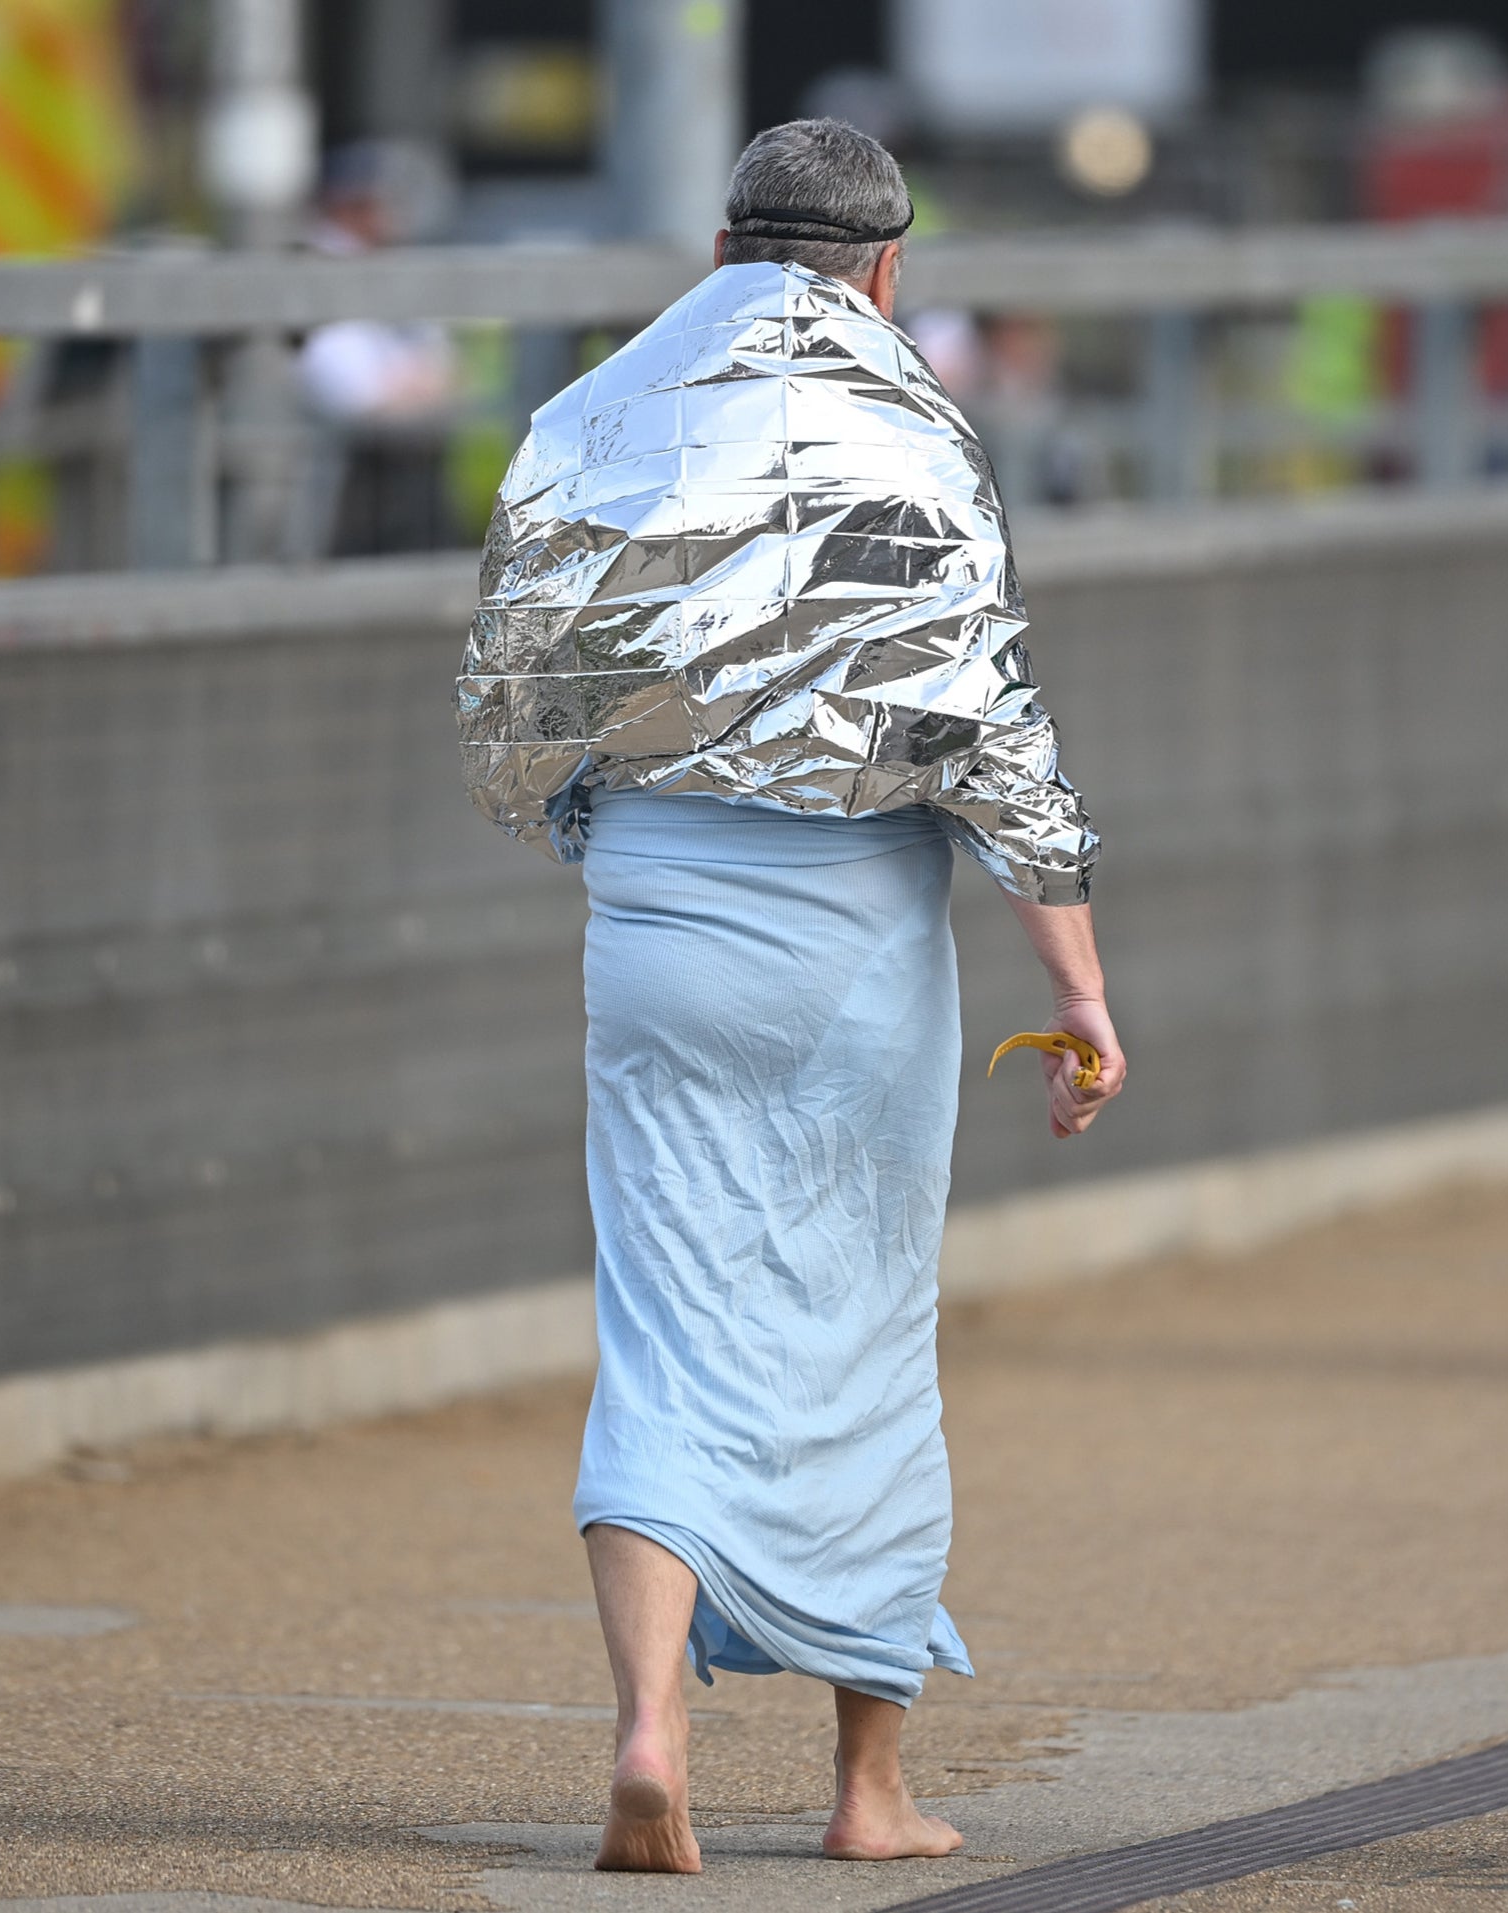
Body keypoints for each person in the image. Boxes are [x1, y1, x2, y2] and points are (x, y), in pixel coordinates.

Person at [458, 118, 1127, 1873]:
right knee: (856, 1333)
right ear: (888, 265)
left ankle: (649, 1727)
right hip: (850, 940)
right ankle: (864, 1789)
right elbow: (993, 731)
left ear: (721, 245)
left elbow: (513, 696)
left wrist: (604, 838)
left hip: (655, 912)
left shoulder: (593, 412)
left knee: (665, 1323)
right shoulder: (918, 425)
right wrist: (1077, 980)